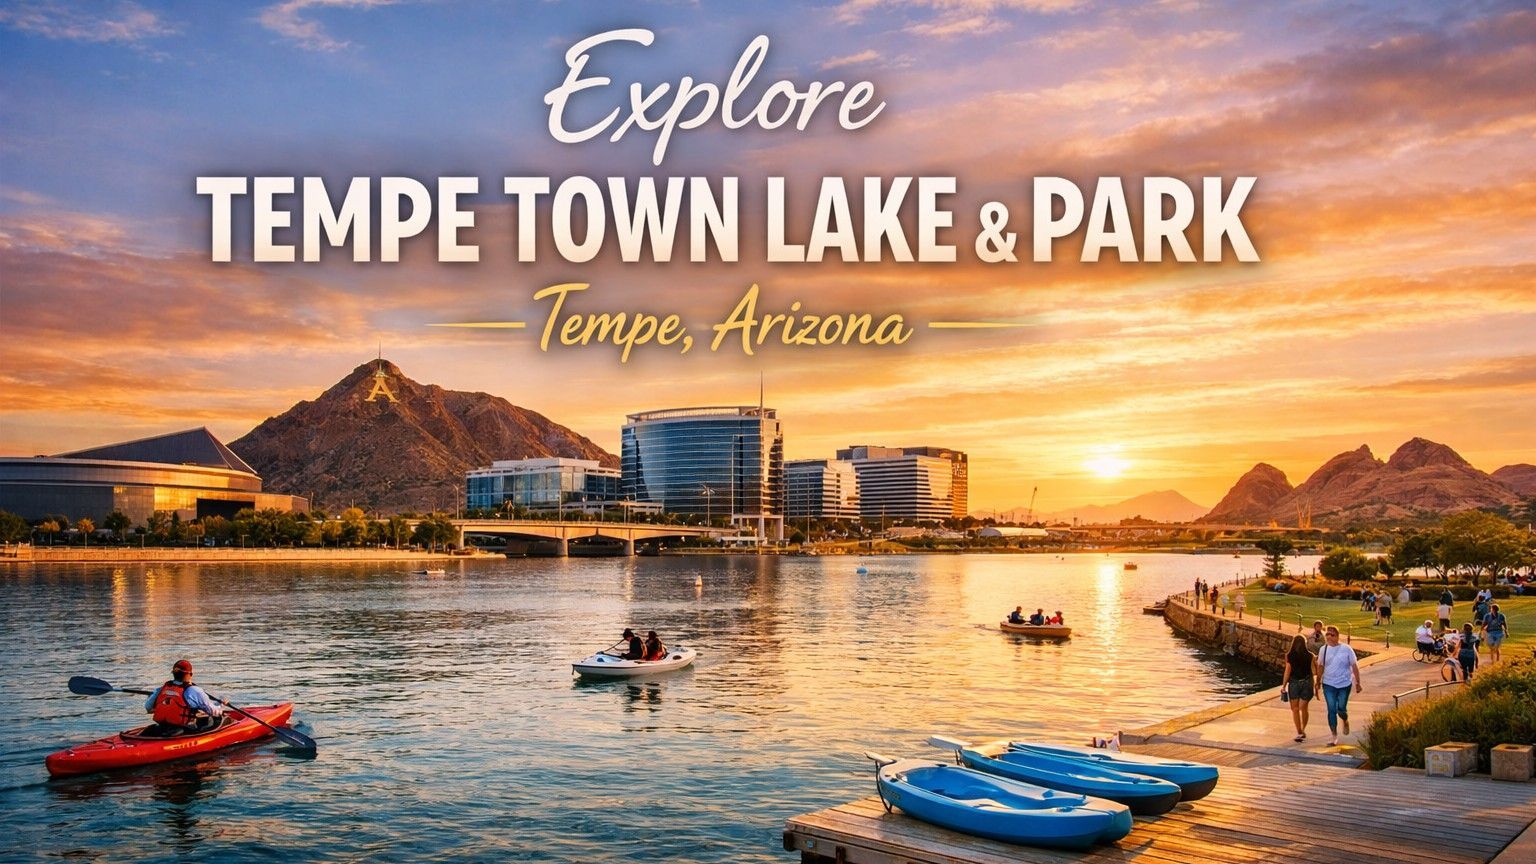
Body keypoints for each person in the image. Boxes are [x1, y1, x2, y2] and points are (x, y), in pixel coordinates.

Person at [144, 659, 226, 734]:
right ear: (190, 674)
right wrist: (221, 705)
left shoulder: (161, 689)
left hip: (162, 727)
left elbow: (148, 707)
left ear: (173, 674)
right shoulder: (194, 691)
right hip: (182, 729)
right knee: (212, 720)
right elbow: (214, 712)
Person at [1314, 626, 1362, 747]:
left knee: (1341, 708)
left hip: (1344, 684)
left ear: (1338, 636)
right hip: (1328, 684)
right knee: (1331, 709)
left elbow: (1354, 666)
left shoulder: (1346, 649)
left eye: (1332, 635)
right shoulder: (1323, 650)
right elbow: (1320, 666)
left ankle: (1345, 720)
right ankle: (1334, 736)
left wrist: (1358, 683)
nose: (1329, 637)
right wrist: (1318, 682)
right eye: (1327, 635)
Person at [1280, 634, 1314, 742]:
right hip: (1307, 682)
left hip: (1294, 683)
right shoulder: (1311, 656)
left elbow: (1287, 671)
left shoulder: (1289, 655)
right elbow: (1313, 671)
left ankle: (1299, 731)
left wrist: (1284, 685)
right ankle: (1302, 729)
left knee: (1295, 709)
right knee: (1303, 708)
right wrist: (1316, 685)